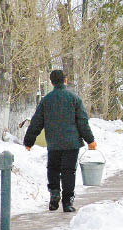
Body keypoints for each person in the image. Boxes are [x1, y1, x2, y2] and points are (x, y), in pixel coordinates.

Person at [24, 70, 96, 212]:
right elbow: (82, 122)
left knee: (53, 169)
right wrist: (90, 140)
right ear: (65, 80)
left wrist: (29, 141)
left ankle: (54, 194)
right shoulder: (74, 98)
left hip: (54, 143)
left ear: (51, 83)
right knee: (69, 171)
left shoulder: (46, 100)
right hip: (71, 143)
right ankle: (68, 202)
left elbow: (36, 122)